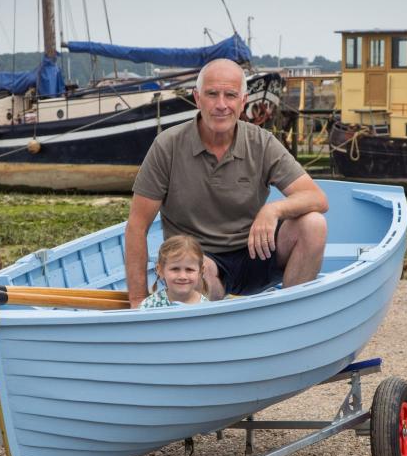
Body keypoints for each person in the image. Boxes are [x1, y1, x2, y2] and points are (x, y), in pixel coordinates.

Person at [125, 58, 328, 308]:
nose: (221, 105)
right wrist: (137, 300)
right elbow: (137, 226)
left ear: (242, 102)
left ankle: (292, 315)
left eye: (230, 95)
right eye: (212, 94)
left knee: (313, 224)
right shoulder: (167, 146)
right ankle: (200, 330)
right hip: (202, 261)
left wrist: (272, 210)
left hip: (257, 251)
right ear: (197, 98)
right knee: (192, 273)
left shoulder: (262, 143)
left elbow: (317, 198)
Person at [139, 235, 210, 309]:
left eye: (189, 269)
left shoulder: (206, 308)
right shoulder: (149, 306)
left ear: (201, 271)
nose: (182, 276)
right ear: (160, 270)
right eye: (175, 269)